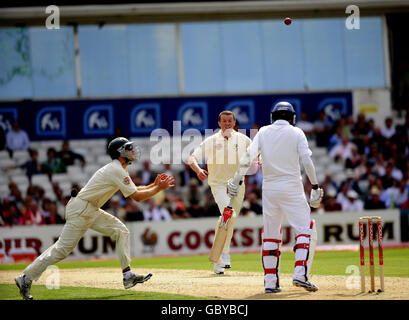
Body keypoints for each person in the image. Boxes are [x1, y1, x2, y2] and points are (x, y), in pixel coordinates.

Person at [14, 137, 175, 300]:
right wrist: (158, 188)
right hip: (82, 209)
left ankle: (127, 275)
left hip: (88, 208)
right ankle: (26, 278)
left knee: (121, 231)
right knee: (62, 250)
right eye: (128, 148)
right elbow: (137, 197)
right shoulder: (117, 169)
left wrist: (154, 186)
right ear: (119, 153)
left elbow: (135, 189)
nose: (132, 151)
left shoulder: (119, 168)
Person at [227, 101, 324, 293]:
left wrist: (236, 180)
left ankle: (270, 282)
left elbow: (248, 157)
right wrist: (314, 185)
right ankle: (300, 274)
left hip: (270, 189)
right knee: (304, 229)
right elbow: (307, 161)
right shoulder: (297, 133)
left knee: (270, 234)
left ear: (273, 116)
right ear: (291, 117)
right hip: (291, 187)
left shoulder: (263, 132)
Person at [188, 110, 252, 275]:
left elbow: (256, 155)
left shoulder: (243, 139)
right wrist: (198, 170)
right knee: (229, 214)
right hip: (218, 184)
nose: (227, 124)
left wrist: (259, 161)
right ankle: (221, 256)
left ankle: (222, 256)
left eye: (230, 121)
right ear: (219, 123)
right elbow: (192, 158)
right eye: (224, 121)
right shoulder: (211, 141)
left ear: (234, 122)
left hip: (238, 185)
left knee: (229, 219)